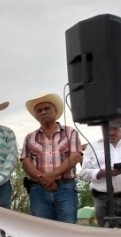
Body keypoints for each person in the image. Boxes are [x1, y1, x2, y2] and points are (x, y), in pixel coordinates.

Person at [20, 93, 82, 223]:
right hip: (38, 190)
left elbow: (76, 156)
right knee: (41, 228)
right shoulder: (30, 137)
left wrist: (51, 176)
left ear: (55, 111)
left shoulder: (70, 132)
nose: (43, 112)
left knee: (67, 226)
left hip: (65, 187)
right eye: (39, 111)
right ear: (36, 116)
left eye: (47, 108)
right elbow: (26, 161)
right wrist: (44, 180)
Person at [79, 121, 121, 227]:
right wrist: (103, 172)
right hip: (103, 200)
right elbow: (84, 173)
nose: (111, 132)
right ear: (101, 128)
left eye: (115, 129)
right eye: (107, 129)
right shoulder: (92, 146)